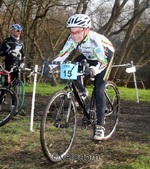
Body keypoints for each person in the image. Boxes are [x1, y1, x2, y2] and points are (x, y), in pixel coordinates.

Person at [48, 14, 115, 140]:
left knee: (99, 89)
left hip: (104, 57)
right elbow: (63, 55)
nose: (74, 35)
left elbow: (102, 62)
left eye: (78, 32)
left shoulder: (94, 39)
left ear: (87, 30)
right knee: (71, 68)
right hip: (88, 56)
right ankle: (83, 90)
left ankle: (100, 126)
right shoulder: (72, 38)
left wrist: (94, 70)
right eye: (71, 32)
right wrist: (49, 67)